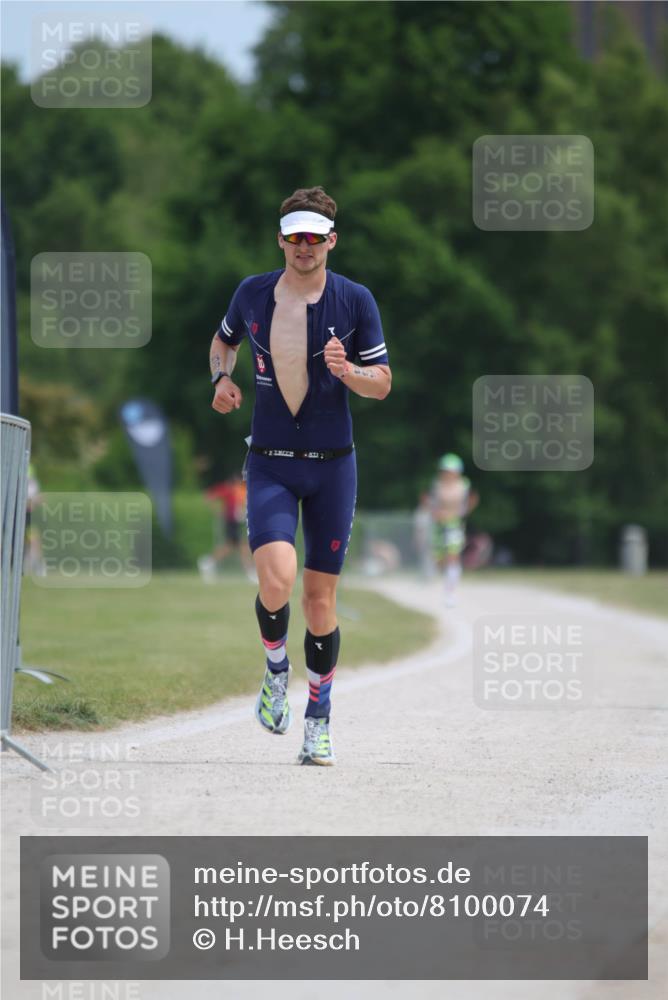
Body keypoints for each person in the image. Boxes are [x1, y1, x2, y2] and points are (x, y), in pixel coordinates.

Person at [209, 186, 391, 765]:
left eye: (315, 237)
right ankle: (274, 669)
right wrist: (220, 379)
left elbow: (382, 383)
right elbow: (224, 341)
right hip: (269, 463)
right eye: (295, 236)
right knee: (276, 580)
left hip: (334, 468)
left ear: (331, 240)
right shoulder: (252, 293)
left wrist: (350, 370)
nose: (305, 246)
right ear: (281, 239)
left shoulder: (355, 301)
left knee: (318, 603)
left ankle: (318, 718)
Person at [430, 453, 478, 607]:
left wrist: (463, 512)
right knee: (439, 560)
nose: (447, 474)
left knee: (452, 556)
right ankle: (446, 583)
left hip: (454, 525)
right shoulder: (437, 485)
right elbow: (432, 503)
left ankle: (450, 592)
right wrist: (436, 513)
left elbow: (472, 499)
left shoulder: (464, 485)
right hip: (439, 526)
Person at [198, 473, 254, 581]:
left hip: (236, 522)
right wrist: (218, 511)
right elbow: (209, 497)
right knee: (241, 547)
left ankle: (208, 562)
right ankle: (250, 573)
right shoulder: (228, 489)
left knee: (232, 546)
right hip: (231, 522)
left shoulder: (240, 490)